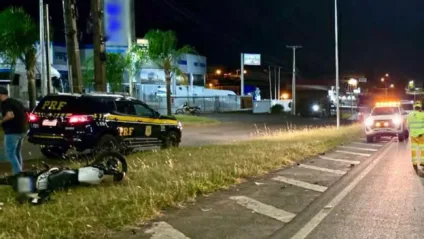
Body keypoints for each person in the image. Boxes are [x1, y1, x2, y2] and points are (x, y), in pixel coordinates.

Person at [0, 87, 26, 174]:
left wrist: (1, 121)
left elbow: (10, 115)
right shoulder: (16, 102)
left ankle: (18, 174)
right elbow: (26, 113)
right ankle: (19, 172)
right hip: (21, 130)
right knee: (17, 153)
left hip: (12, 131)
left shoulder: (5, 103)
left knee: (10, 153)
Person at [407, 101, 424, 172]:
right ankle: (422, 162)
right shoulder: (422, 114)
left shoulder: (409, 115)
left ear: (414, 107)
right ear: (420, 107)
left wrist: (411, 132)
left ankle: (414, 163)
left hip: (413, 135)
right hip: (421, 135)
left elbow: (408, 126)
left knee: (413, 150)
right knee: (422, 149)